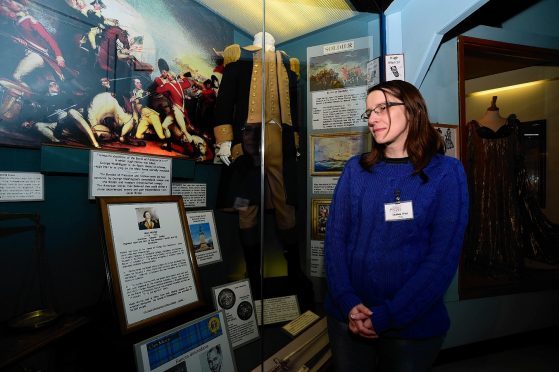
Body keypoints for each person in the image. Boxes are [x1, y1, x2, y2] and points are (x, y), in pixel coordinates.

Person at [324, 80, 469, 372]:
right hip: (347, 318)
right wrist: (348, 301)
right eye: (369, 112)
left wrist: (387, 316)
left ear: (413, 110)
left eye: (382, 107)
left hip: (412, 329)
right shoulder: (356, 169)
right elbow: (335, 240)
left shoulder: (446, 173)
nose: (373, 118)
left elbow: (442, 259)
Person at [213, 32, 313, 305]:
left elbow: (294, 110)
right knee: (247, 207)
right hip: (248, 141)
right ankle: (252, 275)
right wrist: (224, 140)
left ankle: (294, 270)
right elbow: (224, 103)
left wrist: (295, 141)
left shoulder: (289, 71)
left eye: (270, 45)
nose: (267, 49)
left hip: (280, 142)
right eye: (262, 45)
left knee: (285, 204)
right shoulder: (238, 67)